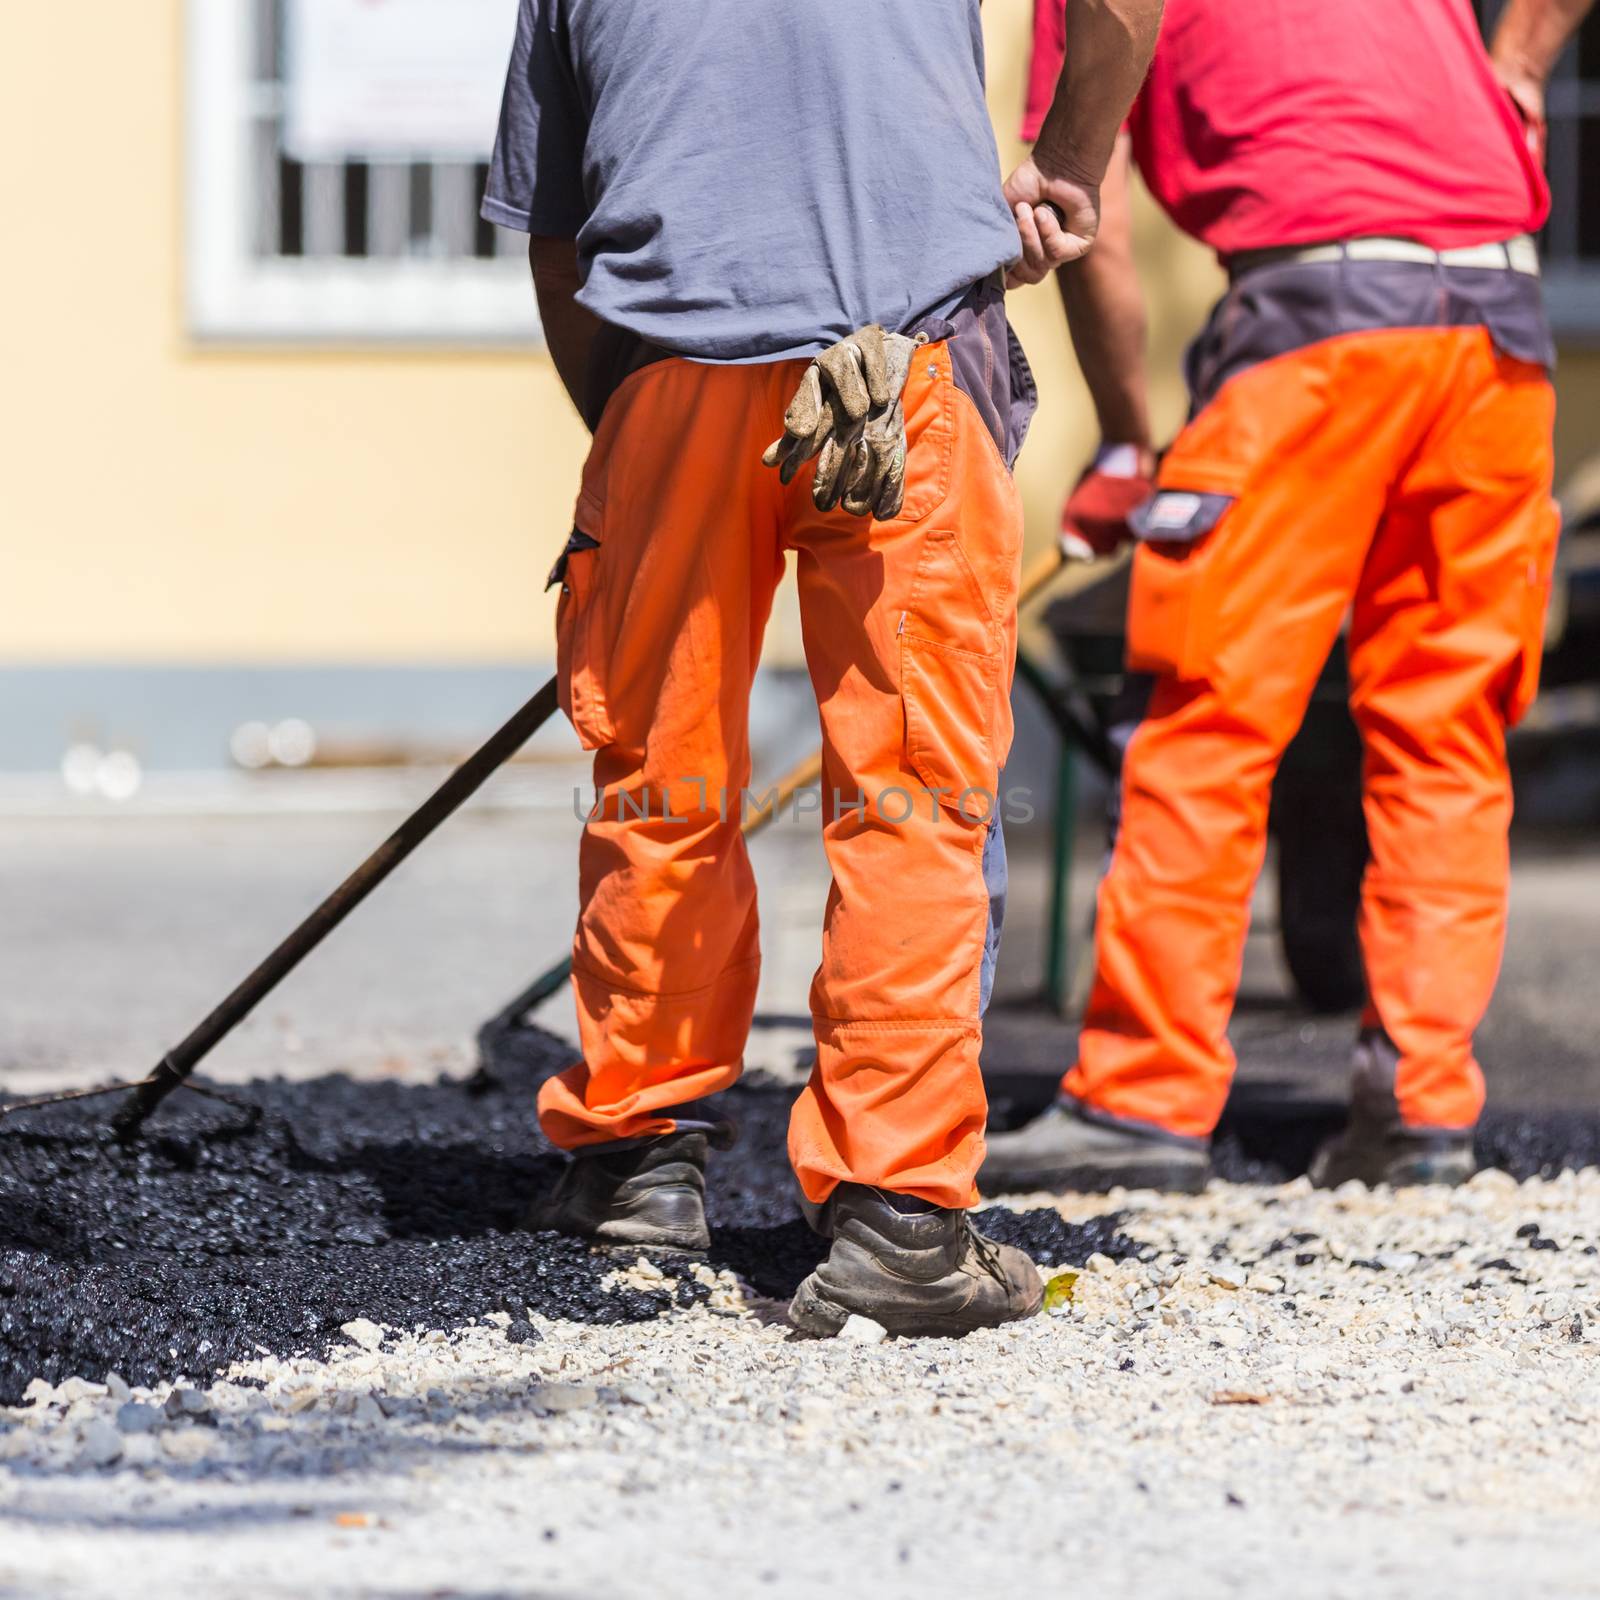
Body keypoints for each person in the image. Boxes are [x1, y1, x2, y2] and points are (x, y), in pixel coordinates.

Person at [480, 0, 1163, 1335]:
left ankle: (634, 1158)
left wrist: (632, 447)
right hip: (903, 356)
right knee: (912, 789)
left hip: (671, 363)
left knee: (658, 773)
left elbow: (555, 241)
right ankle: (899, 1219)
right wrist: (1069, 162)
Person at [982, 0, 1595, 1197]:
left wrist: (1122, 441)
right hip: (1501, 327)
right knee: (1447, 729)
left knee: (1205, 717)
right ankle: (1421, 1107)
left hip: (1317, 327)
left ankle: (1139, 1101)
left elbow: (1078, 210)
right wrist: (1515, 63)